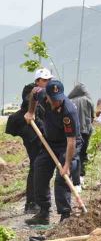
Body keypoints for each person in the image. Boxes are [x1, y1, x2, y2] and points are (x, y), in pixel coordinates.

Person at [24, 80, 84, 225]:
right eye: (54, 99)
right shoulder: (42, 94)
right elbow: (33, 92)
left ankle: (65, 216)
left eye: (59, 99)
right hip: (50, 142)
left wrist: (67, 165)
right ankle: (44, 212)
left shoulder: (69, 111)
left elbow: (71, 141)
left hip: (68, 144)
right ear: (48, 97)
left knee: (63, 177)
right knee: (39, 169)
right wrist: (31, 111)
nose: (57, 102)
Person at [10, 68, 52, 213]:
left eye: (49, 80)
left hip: (38, 131)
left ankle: (36, 201)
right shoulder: (31, 91)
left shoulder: (47, 92)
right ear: (37, 81)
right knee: (35, 166)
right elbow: (33, 109)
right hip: (30, 133)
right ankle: (31, 203)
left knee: (38, 166)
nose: (47, 82)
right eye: (45, 80)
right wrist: (43, 132)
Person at [67, 83, 94, 182]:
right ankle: (81, 174)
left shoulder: (69, 101)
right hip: (85, 130)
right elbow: (92, 117)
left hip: (72, 131)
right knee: (83, 152)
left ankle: (71, 174)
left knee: (72, 153)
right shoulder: (88, 100)